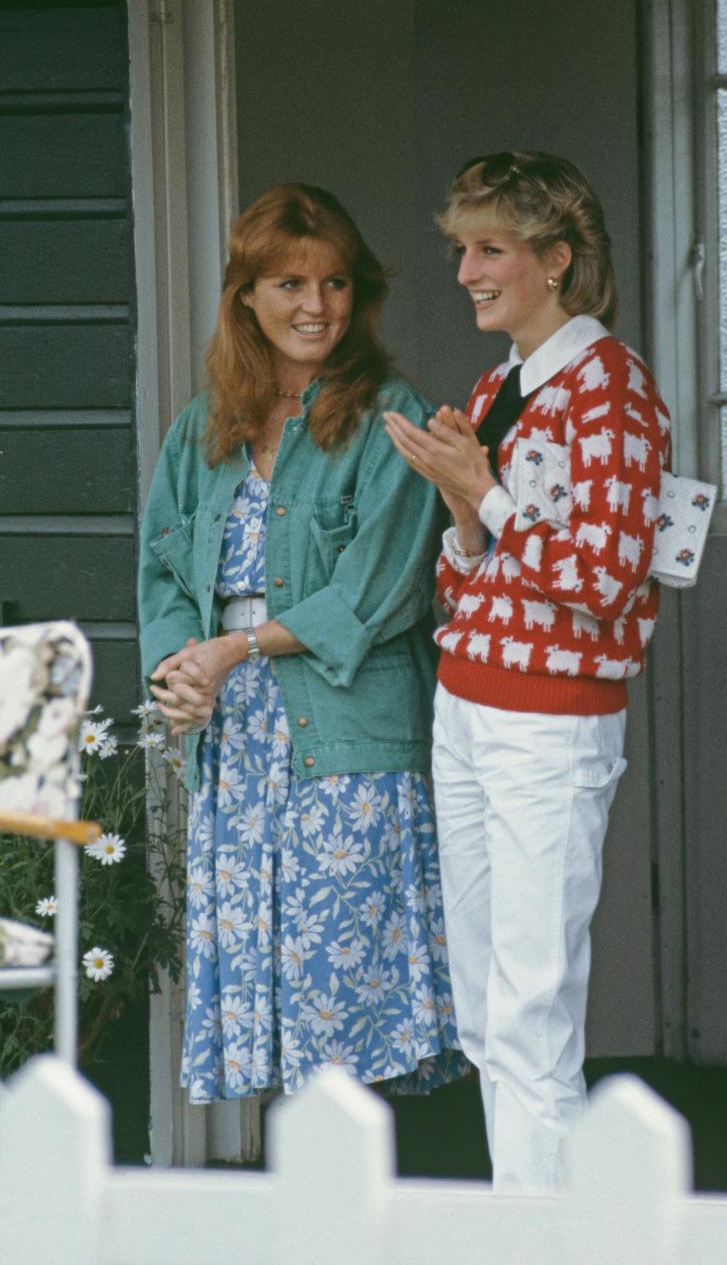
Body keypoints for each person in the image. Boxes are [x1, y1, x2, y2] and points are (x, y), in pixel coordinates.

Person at [138, 182, 466, 1101]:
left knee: (342, 996)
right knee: (267, 996)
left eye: (334, 283)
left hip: (346, 743)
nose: (315, 305)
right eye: (289, 283)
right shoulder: (203, 427)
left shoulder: (386, 415)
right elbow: (165, 570)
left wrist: (231, 653)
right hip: (233, 745)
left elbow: (379, 589)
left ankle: (352, 1217)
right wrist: (179, 673)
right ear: (246, 293)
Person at [382, 150, 671, 1192]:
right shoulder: (501, 384)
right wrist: (465, 509)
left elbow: (602, 575)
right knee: (483, 998)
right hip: (469, 706)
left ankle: (549, 1232)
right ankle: (527, 1214)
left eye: (490, 247)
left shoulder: (612, 389)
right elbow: (476, 586)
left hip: (551, 724)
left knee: (533, 996)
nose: (465, 270)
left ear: (556, 259)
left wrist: (485, 494)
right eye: (461, 247)